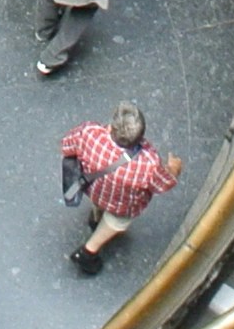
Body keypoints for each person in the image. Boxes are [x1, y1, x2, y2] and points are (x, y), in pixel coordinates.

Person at [58, 103, 183, 276]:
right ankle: (88, 252)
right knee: (116, 222)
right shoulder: (148, 163)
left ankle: (96, 217)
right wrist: (173, 169)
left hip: (94, 188)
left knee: (98, 204)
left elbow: (66, 146)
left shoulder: (89, 134)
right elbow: (162, 184)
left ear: (110, 127)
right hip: (122, 205)